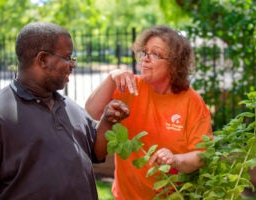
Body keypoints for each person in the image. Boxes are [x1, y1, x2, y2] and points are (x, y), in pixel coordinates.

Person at [0, 21, 130, 200]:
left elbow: (95, 152)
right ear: (43, 59)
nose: (73, 64)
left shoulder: (69, 105)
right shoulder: (2, 113)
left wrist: (107, 120)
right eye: (67, 57)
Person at [85, 25, 213, 199]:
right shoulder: (131, 88)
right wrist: (111, 77)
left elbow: (202, 155)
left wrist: (175, 159)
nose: (145, 59)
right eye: (144, 52)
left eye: (155, 54)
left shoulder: (192, 101)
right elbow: (91, 112)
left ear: (175, 64)